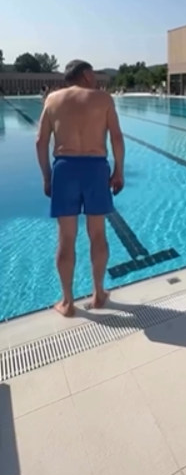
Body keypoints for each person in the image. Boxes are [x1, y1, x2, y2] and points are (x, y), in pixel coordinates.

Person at [36, 60, 125, 317]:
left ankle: (68, 302)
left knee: (66, 238)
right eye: (93, 74)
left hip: (65, 170)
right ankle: (98, 294)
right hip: (96, 169)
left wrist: (47, 177)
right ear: (86, 75)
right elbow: (116, 137)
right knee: (97, 234)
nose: (95, 78)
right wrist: (118, 170)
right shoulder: (103, 99)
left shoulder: (52, 100)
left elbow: (40, 141)